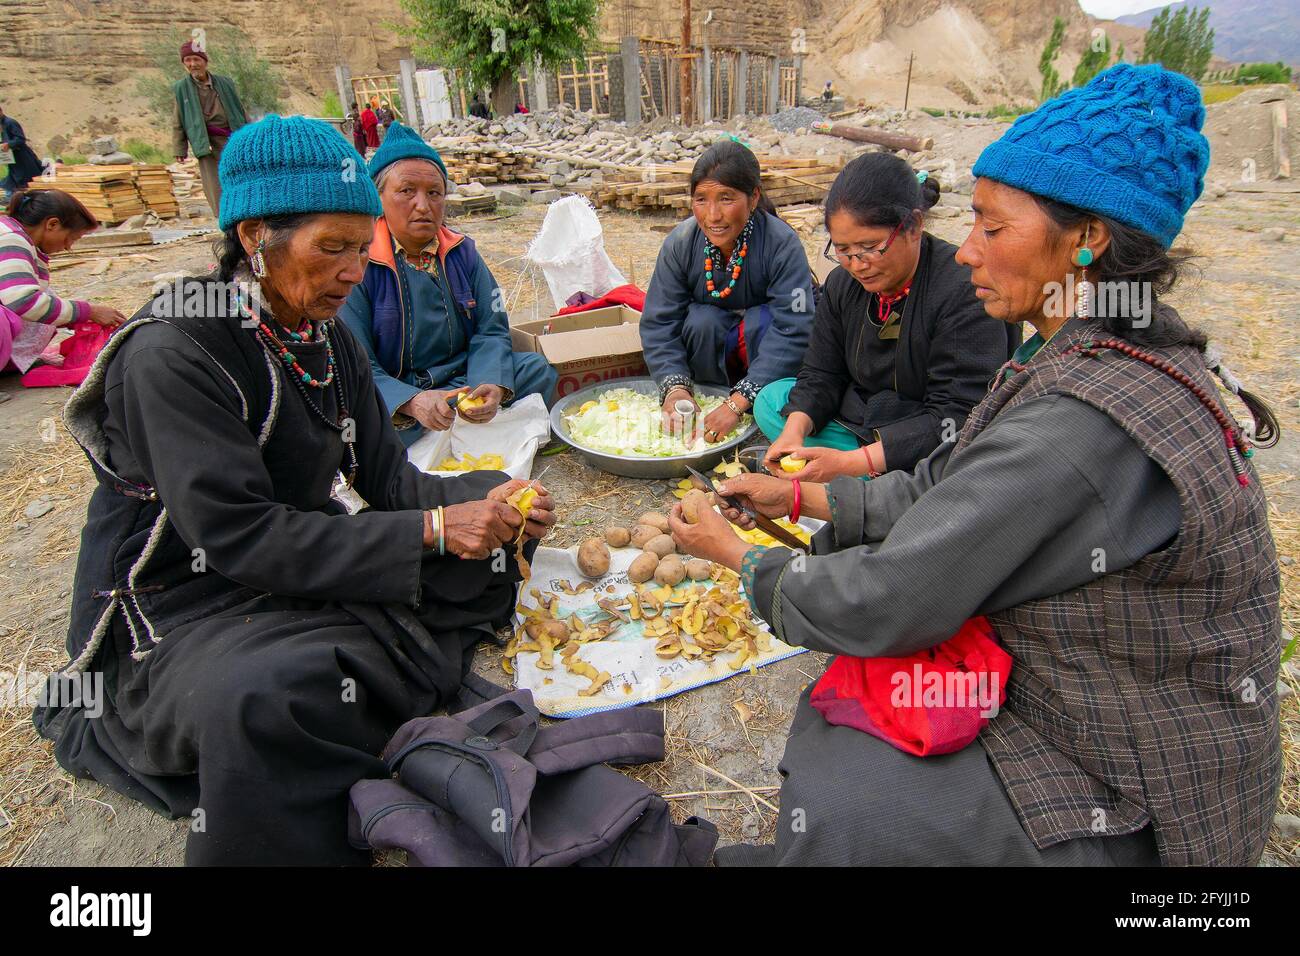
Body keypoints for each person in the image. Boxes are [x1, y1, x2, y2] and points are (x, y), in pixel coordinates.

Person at [667, 64, 1283, 866]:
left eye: (994, 229)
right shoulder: (1099, 346)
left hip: (1137, 781)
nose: (971, 253)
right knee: (850, 711)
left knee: (844, 793)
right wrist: (798, 495)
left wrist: (743, 561)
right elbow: (956, 487)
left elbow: (895, 597)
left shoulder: (1085, 416)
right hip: (1084, 690)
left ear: (1088, 238)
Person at [31, 115, 556, 865]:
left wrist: (499, 494)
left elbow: (388, 481)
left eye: (359, 246)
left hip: (289, 567)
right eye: (331, 248)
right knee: (266, 694)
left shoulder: (327, 335)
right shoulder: (175, 351)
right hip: (185, 603)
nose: (352, 270)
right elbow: (241, 537)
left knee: (487, 560)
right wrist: (436, 533)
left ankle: (356, 687)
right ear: (254, 236)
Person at [754, 153, 1018, 481]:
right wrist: (794, 432)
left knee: (954, 454)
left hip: (930, 429)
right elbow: (822, 372)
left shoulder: (963, 289)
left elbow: (959, 414)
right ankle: (864, 468)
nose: (856, 263)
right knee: (772, 400)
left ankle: (873, 474)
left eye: (870, 246)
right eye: (843, 249)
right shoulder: (842, 284)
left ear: (914, 226)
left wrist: (853, 462)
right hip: (864, 416)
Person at [341, 123, 556, 446]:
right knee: (358, 423)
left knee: (536, 369)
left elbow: (491, 328)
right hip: (401, 390)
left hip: (462, 381)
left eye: (434, 193)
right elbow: (357, 365)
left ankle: (458, 433)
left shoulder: (461, 252)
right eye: (406, 191)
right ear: (378, 197)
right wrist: (411, 402)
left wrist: (491, 383)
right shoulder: (361, 262)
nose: (423, 205)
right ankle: (449, 435)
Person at [640, 139, 816, 444]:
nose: (712, 216)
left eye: (725, 198)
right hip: (711, 352)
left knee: (763, 321)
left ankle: (756, 406)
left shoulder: (781, 244)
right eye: (701, 199)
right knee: (701, 321)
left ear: (753, 196)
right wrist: (674, 387)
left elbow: (794, 328)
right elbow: (659, 322)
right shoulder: (681, 243)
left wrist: (740, 400)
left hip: (765, 362)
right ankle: (708, 398)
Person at [1, 189, 124, 372]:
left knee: (45, 298)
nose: (67, 247)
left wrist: (72, 318)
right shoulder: (10, 239)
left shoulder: (15, 235)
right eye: (70, 238)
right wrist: (88, 311)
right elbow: (22, 302)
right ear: (52, 224)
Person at [172, 39, 248, 217]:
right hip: (206, 142)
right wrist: (179, 147)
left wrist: (250, 134)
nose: (193, 64)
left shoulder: (225, 83)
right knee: (215, 185)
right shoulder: (181, 89)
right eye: (188, 60)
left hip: (232, 139)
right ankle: (225, 220)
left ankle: (246, 217)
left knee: (240, 179)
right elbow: (178, 120)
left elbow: (240, 110)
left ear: (205, 61)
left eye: (196, 60)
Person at [0, 104, 45, 200]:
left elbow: (20, 139)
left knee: (26, 180)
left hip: (22, 158)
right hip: (12, 160)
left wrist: (9, 144)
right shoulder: (2, 124)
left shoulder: (10, 122)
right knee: (13, 182)